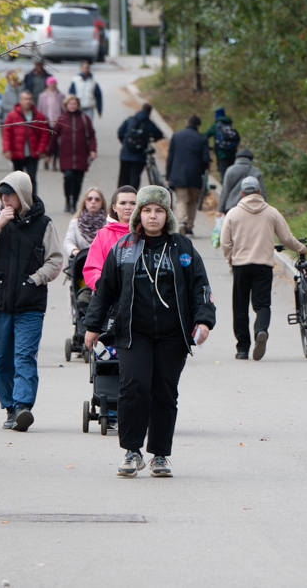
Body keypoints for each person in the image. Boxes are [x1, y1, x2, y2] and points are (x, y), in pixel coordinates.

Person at [83, 186, 216, 479]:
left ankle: (160, 455)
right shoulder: (123, 248)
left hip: (172, 336)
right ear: (139, 215)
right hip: (133, 335)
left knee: (164, 393)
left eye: (158, 210)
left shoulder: (182, 247)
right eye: (147, 210)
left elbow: (200, 287)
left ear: (167, 214)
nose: (152, 216)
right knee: (133, 388)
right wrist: (92, 327)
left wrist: (204, 320)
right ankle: (132, 451)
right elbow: (104, 291)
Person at [0, 171, 63, 432]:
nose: (5, 199)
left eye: (10, 194)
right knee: (2, 359)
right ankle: (10, 408)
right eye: (2, 194)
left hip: (30, 303)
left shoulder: (44, 224)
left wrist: (35, 279)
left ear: (22, 195)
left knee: (24, 355)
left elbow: (56, 260)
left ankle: (23, 407)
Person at [221, 176, 305, 360]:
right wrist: (301, 248)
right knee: (262, 305)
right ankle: (261, 331)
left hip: (241, 266)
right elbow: (286, 238)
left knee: (240, 307)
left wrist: (231, 260)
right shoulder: (271, 212)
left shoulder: (233, 214)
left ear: (242, 194)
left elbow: (225, 243)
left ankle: (242, 349)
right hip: (263, 266)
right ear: (260, 192)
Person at [83, 185, 139, 290]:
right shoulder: (103, 234)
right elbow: (92, 267)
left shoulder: (147, 233)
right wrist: (102, 285)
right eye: (122, 203)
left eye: (133, 203)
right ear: (114, 207)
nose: (128, 207)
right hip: (111, 295)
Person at [53, 95, 98, 214]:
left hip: (81, 155)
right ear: (66, 105)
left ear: (78, 105)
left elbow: (92, 135)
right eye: (70, 104)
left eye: (74, 103)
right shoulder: (61, 119)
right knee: (68, 177)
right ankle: (68, 200)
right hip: (66, 155)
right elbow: (53, 136)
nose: (72, 106)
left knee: (78, 180)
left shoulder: (84, 118)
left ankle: (75, 202)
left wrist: (93, 150)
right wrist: (48, 153)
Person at [166, 115, 210, 236]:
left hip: (178, 174)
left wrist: (168, 176)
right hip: (194, 175)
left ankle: (183, 222)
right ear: (198, 126)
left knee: (181, 200)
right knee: (192, 200)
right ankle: (189, 226)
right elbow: (205, 159)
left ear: (187, 123)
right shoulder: (202, 138)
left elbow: (170, 158)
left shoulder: (176, 136)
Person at [1, 90, 50, 194]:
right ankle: (18, 201)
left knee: (31, 178)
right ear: (21, 101)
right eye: (25, 99)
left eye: (30, 99)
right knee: (17, 180)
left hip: (33, 153)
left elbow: (44, 134)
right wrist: (7, 149)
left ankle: (34, 203)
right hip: (17, 153)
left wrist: (40, 149)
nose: (28, 101)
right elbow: (6, 133)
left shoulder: (39, 116)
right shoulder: (12, 116)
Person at [117, 103, 165, 188]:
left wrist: (125, 143)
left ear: (140, 109)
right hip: (139, 156)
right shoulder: (149, 123)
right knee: (135, 177)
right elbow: (160, 134)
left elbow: (120, 132)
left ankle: (120, 197)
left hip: (125, 154)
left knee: (123, 177)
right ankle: (133, 197)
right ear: (150, 113)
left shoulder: (130, 120)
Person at [217, 148, 265, 216]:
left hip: (232, 207)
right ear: (250, 159)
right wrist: (264, 207)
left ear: (237, 157)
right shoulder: (256, 172)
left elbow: (225, 191)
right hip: (251, 208)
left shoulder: (230, 170)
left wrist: (219, 210)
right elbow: (262, 192)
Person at [63, 188, 108, 257]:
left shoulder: (108, 224)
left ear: (102, 203)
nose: (93, 202)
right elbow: (68, 242)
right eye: (89, 199)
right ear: (85, 202)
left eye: (97, 199)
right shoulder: (75, 222)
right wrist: (74, 251)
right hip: (80, 262)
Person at [204, 108, 240, 184]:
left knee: (224, 173)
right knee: (232, 172)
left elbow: (205, 136)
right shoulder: (230, 125)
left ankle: (225, 190)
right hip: (232, 153)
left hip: (221, 154)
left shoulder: (216, 126)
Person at [37, 76, 65, 171]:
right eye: (50, 83)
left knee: (57, 143)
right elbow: (40, 109)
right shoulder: (42, 96)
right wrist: (41, 120)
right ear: (47, 84)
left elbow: (63, 109)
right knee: (48, 142)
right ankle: (47, 159)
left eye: (54, 83)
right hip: (47, 121)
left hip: (58, 122)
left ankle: (54, 162)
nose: (52, 85)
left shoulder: (61, 96)